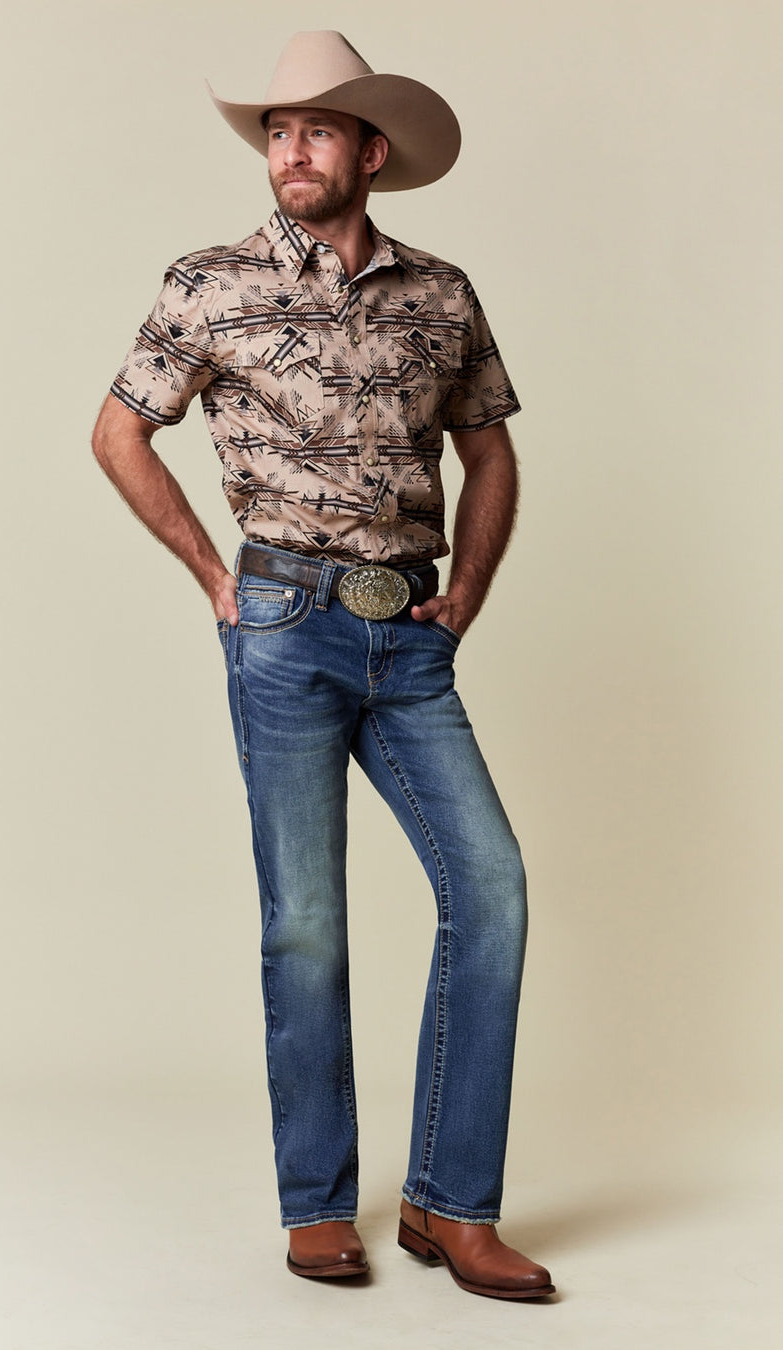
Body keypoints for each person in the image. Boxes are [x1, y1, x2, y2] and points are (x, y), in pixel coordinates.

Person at [92, 30, 554, 1300]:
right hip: (284, 626)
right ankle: (317, 1205)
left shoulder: (442, 294)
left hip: (410, 639)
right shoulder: (209, 282)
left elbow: (492, 449)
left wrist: (466, 593)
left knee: (492, 890)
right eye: (277, 131)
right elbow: (119, 432)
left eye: (317, 130)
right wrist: (213, 576)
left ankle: (450, 1205)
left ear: (371, 151)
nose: (291, 150)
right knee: (305, 923)